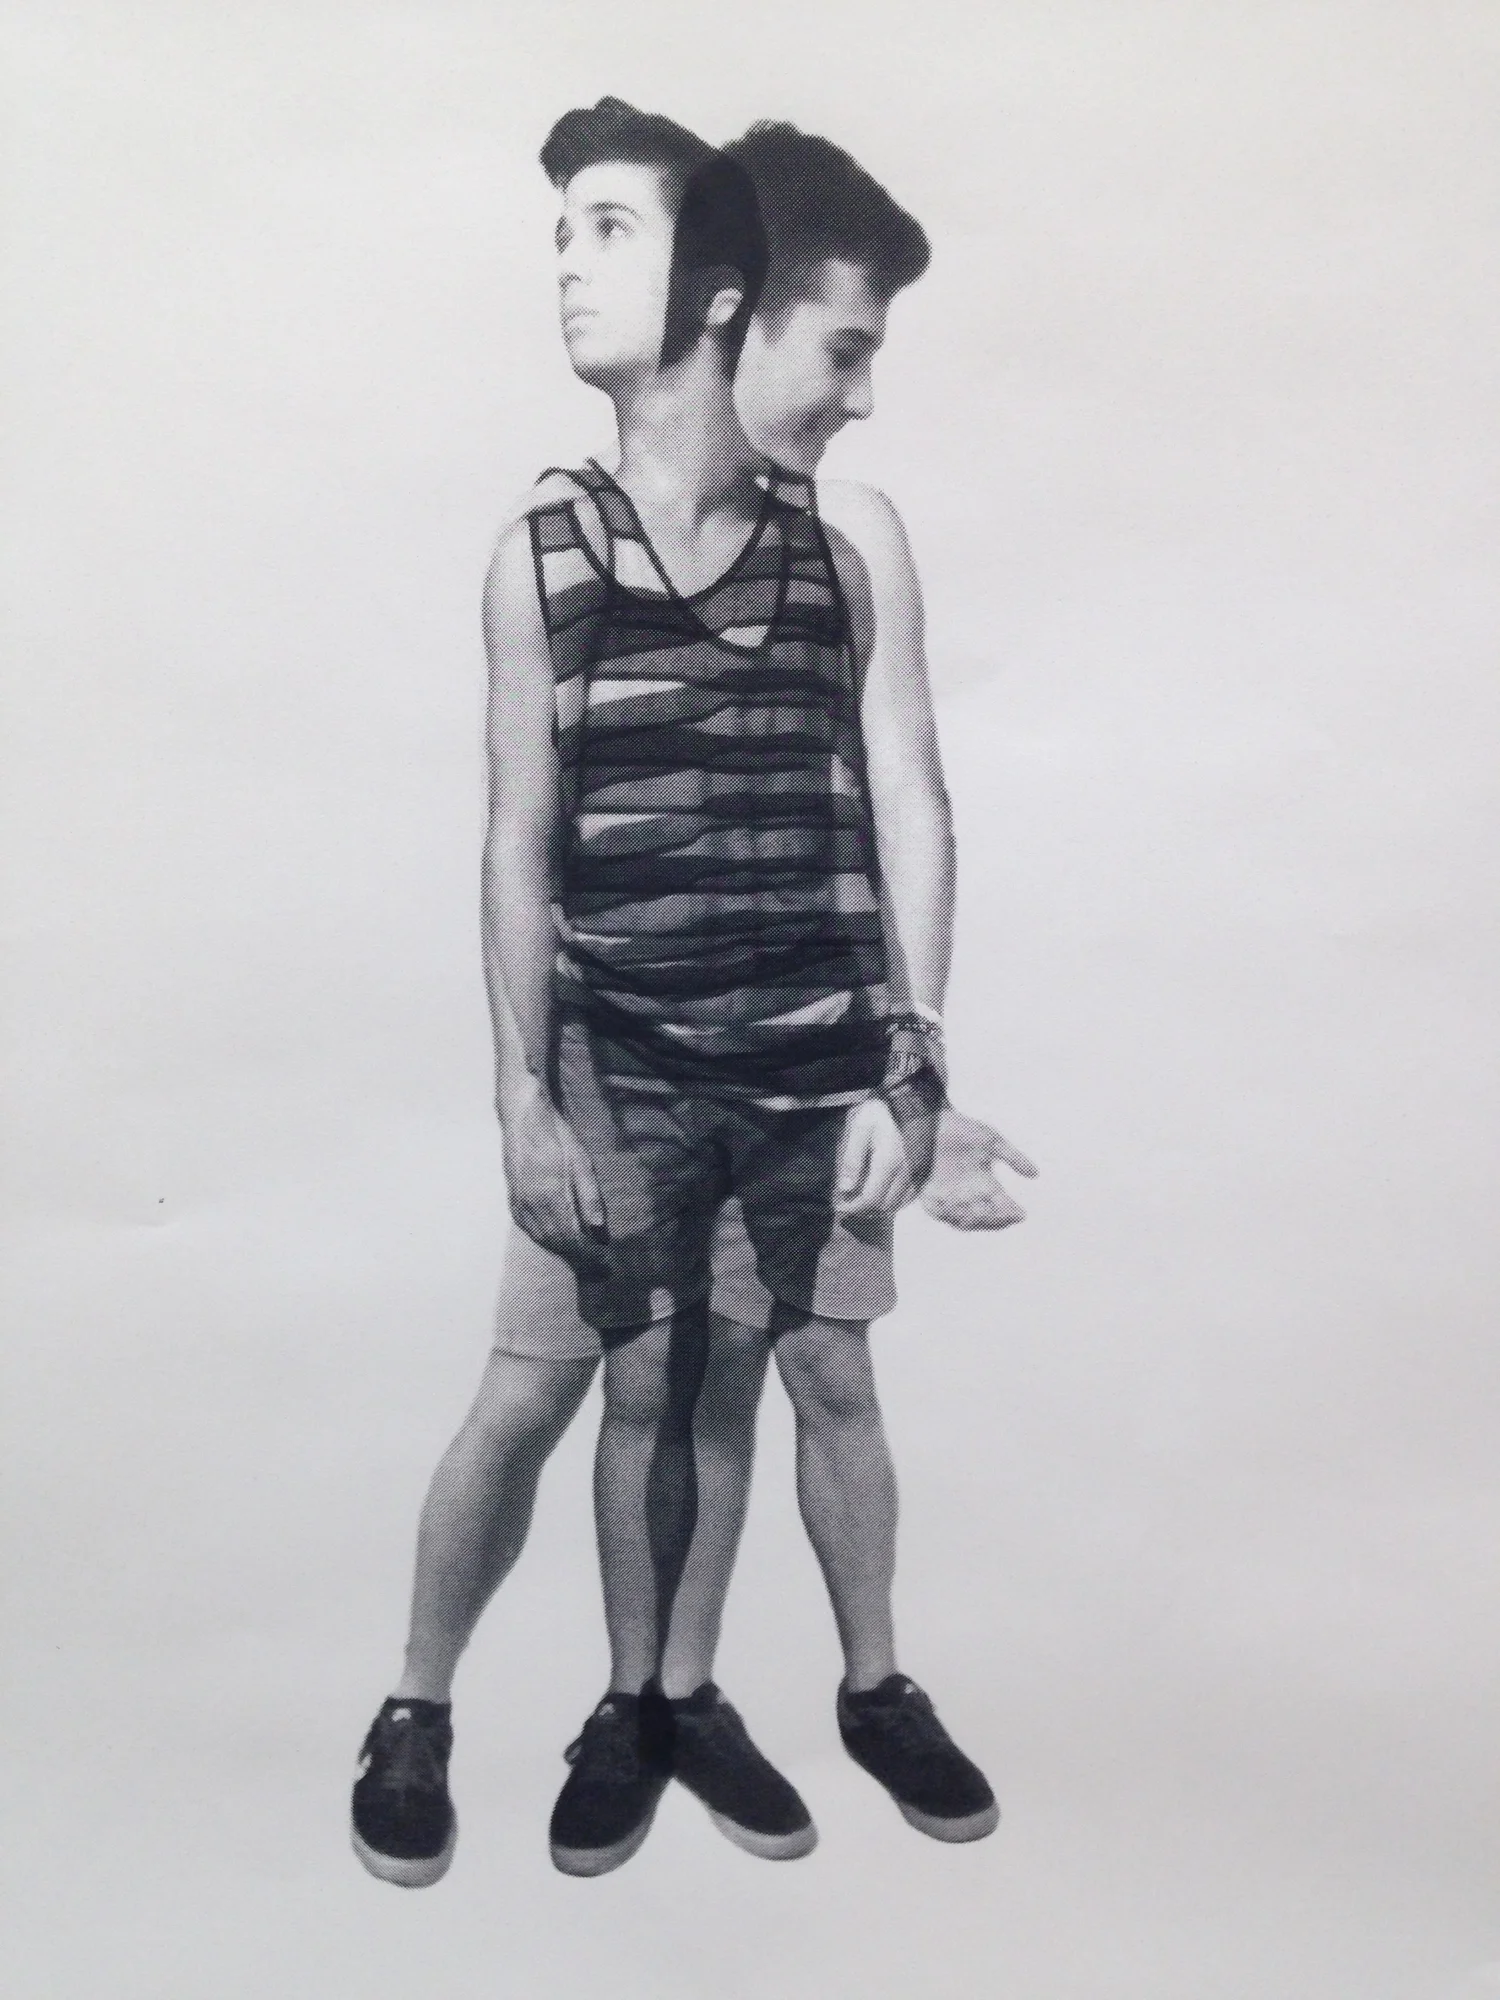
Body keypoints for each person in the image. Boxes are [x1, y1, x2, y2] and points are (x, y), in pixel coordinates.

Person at [351, 103, 1035, 1890]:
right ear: (744, 309)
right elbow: (516, 844)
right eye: (848, 347)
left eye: (606, 232)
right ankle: (420, 1705)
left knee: (770, 1382)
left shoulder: (847, 540)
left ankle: (692, 1697)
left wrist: (912, 1068)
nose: (864, 394)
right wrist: (522, 1097)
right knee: (543, 1394)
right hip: (618, 1069)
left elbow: (907, 803)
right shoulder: (545, 552)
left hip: (805, 1070)